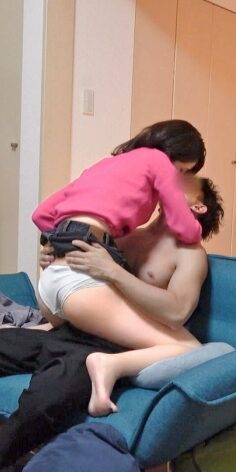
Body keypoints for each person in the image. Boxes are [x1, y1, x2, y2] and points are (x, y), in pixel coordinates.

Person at [0, 176, 224, 467]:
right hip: (69, 330)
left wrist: (114, 272)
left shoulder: (190, 254)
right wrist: (51, 265)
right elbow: (64, 303)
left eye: (183, 182)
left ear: (198, 206)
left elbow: (177, 311)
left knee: (47, 398)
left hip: (109, 346)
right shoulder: (123, 234)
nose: (170, 181)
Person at [33, 119, 205, 331]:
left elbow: (41, 214)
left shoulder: (107, 164)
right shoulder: (159, 160)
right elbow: (186, 229)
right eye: (182, 171)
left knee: (66, 334)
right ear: (176, 152)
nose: (178, 181)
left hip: (50, 279)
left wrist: (57, 243)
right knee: (181, 343)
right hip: (83, 267)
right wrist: (198, 229)